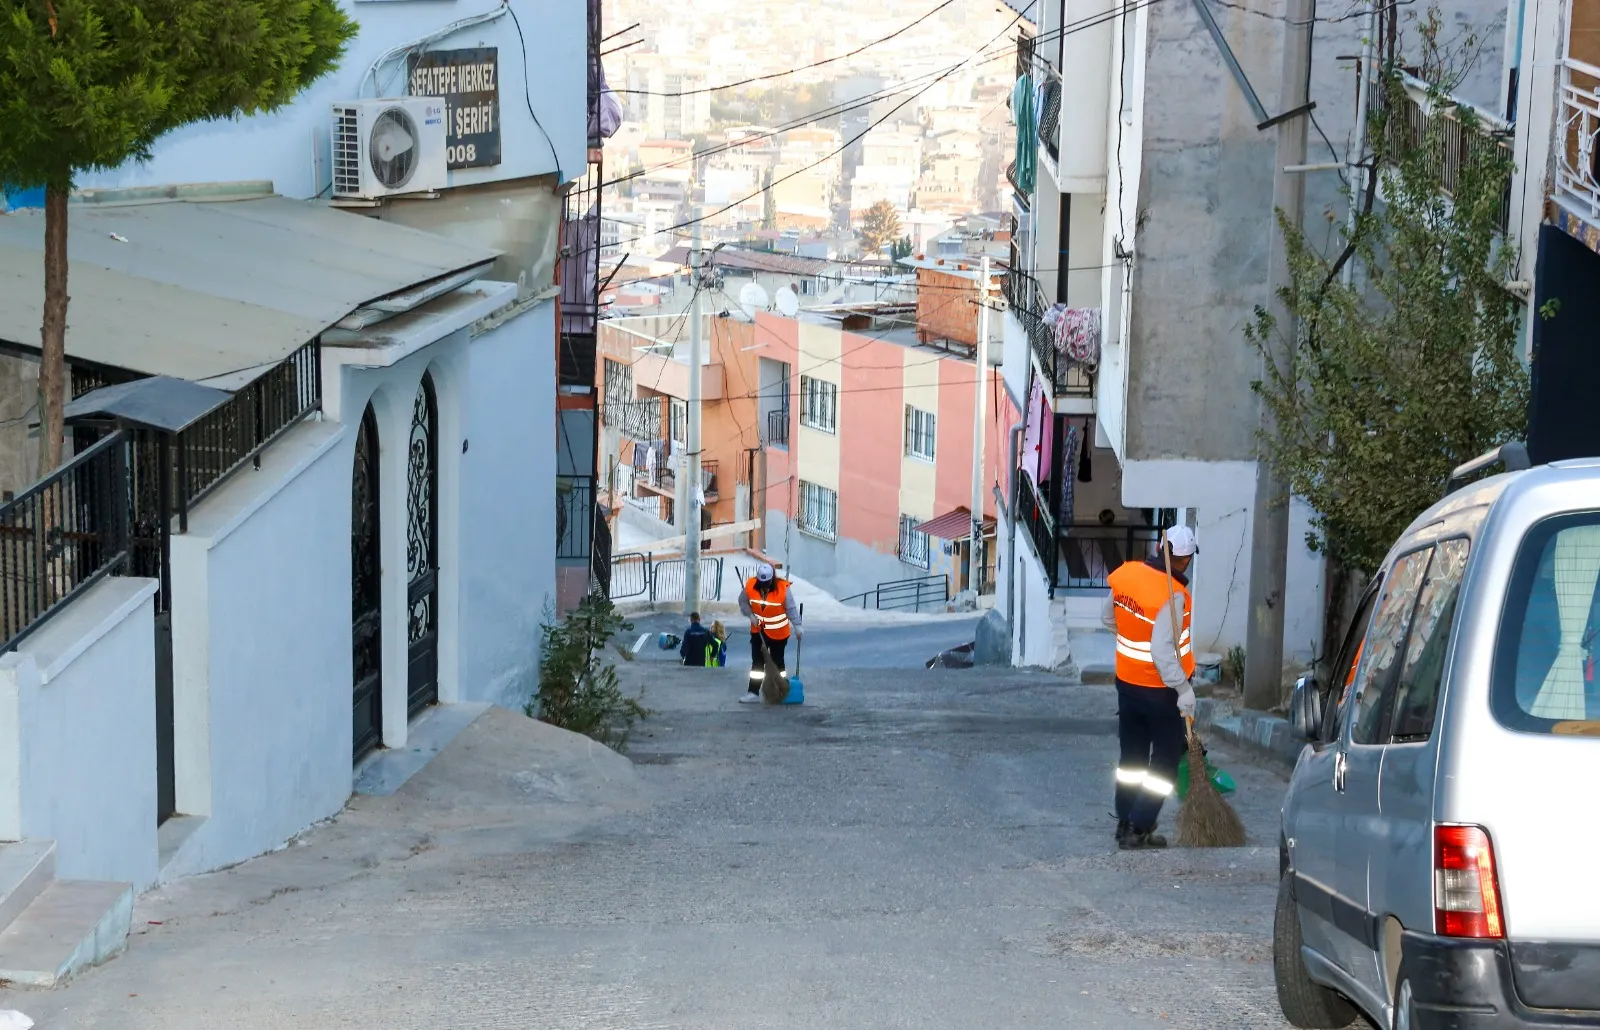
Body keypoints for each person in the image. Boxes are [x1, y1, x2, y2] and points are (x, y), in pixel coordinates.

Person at [1100, 524, 1199, 850]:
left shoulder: (1127, 575)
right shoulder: (1173, 594)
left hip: (1127, 685)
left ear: (1159, 546)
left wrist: (1130, 643)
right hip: (1160, 691)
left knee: (1132, 757)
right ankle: (1138, 827)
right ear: (1185, 561)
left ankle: (1124, 820)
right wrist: (1183, 690)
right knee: (1166, 760)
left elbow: (1108, 618)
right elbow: (1161, 651)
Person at [737, 562, 801, 703]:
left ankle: (781, 690)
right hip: (758, 631)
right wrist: (750, 615)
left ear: (772, 579)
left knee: (778, 663)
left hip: (779, 633)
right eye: (761, 582)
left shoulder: (782, 589)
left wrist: (797, 625)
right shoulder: (751, 585)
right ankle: (753, 692)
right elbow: (743, 601)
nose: (763, 586)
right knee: (757, 663)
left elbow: (791, 608)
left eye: (766, 583)